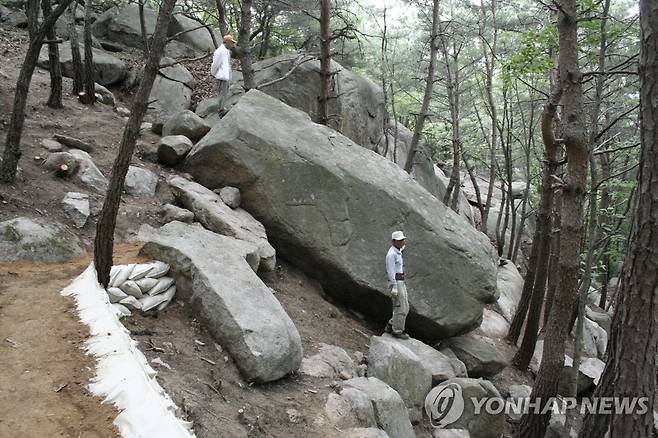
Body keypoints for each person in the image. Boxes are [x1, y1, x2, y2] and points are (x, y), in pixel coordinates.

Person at [384, 231, 410, 339]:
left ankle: (391, 324)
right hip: (396, 282)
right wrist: (394, 286)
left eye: (402, 239)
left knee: (406, 306)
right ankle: (398, 330)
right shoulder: (391, 255)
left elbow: (400, 250)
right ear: (393, 241)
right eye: (399, 240)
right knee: (401, 307)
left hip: (401, 280)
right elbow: (390, 271)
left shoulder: (397, 251)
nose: (402, 242)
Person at [211, 34, 236, 117]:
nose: (232, 45)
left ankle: (222, 108)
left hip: (225, 77)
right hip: (221, 77)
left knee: (224, 94)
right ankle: (221, 111)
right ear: (227, 42)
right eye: (231, 43)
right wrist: (214, 73)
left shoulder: (226, 51)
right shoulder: (220, 51)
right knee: (222, 94)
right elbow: (215, 64)